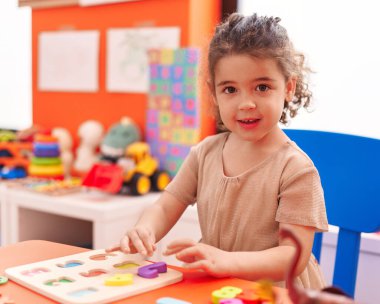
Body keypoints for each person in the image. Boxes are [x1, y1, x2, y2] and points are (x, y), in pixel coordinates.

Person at [108, 12, 328, 289]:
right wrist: (145, 229)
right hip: (220, 283)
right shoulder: (204, 154)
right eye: (230, 90)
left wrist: (226, 261)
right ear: (214, 94)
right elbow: (165, 207)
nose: (246, 103)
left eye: (262, 87)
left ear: (288, 88)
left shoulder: (296, 170)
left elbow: (292, 257)